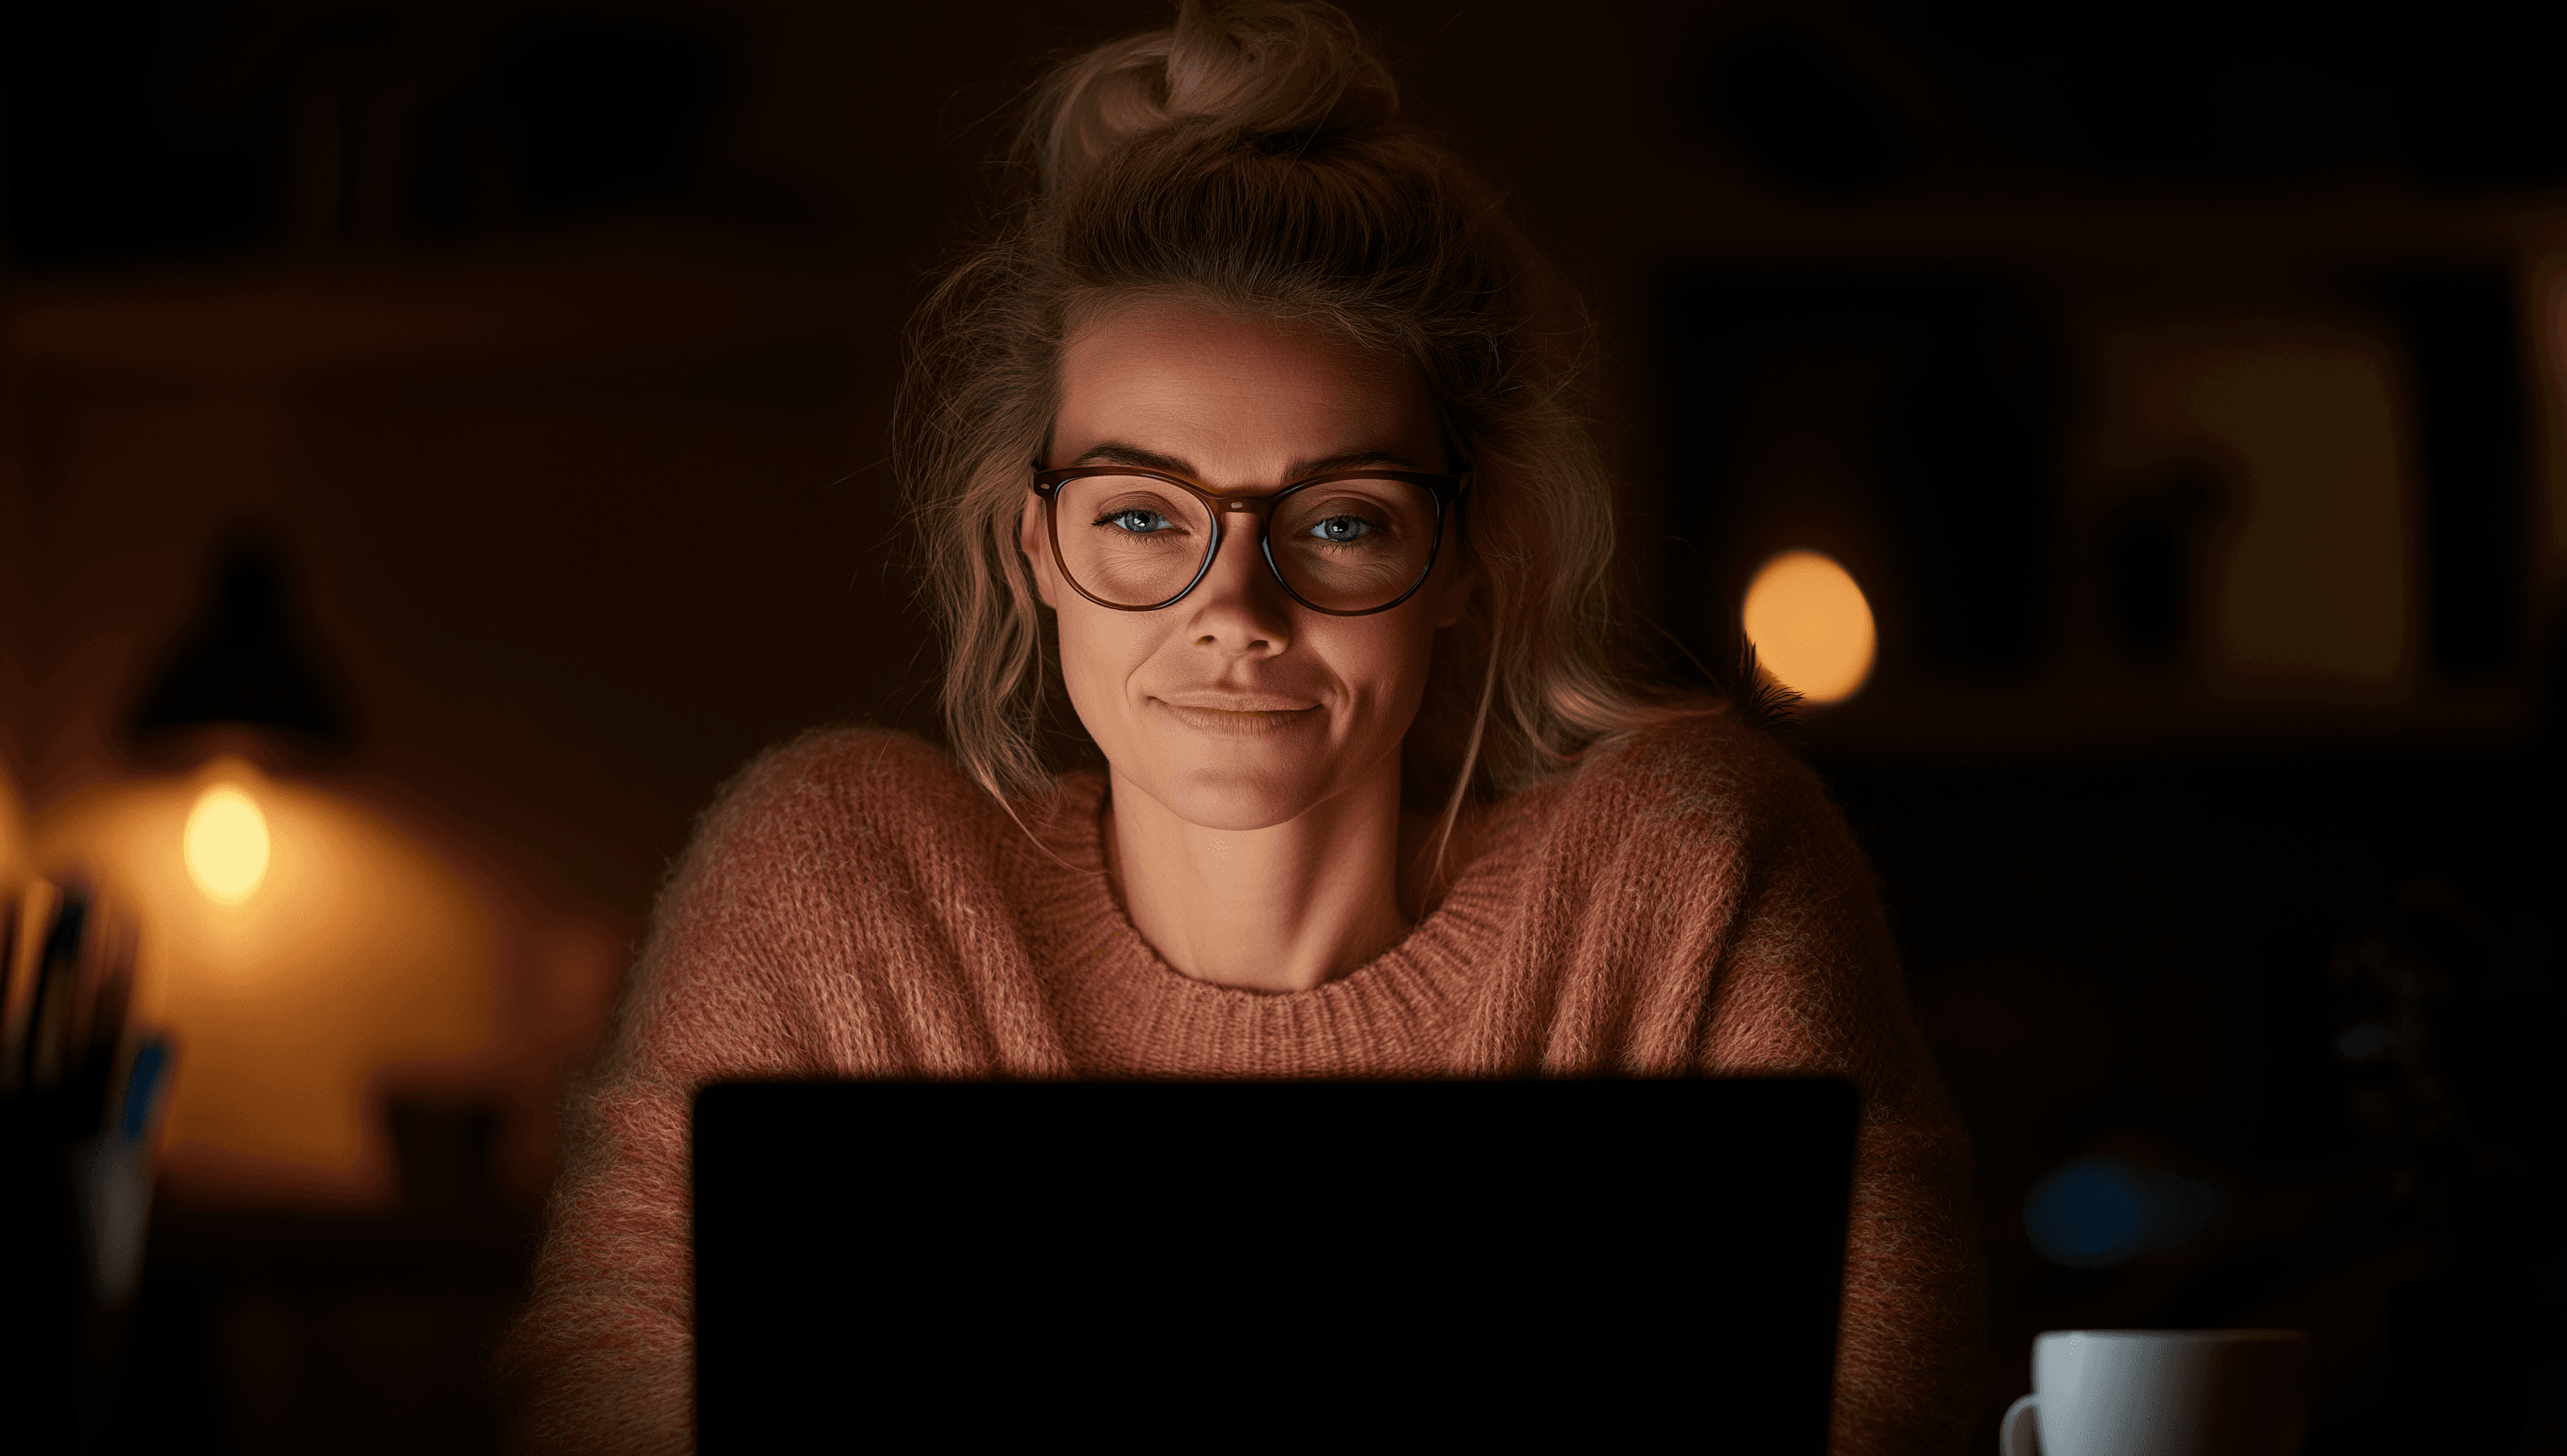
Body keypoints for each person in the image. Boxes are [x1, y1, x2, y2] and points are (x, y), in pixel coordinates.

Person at [497, 3, 1985, 1451]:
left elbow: (1880, 1412)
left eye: (1339, 520)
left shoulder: (1686, 879)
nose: (1237, 608)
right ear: (1031, 546)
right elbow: (611, 1403)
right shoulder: (836, 888)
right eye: (1143, 515)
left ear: (1466, 558)